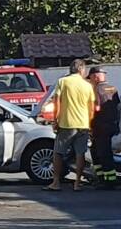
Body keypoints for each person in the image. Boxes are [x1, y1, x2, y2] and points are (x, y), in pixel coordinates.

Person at [44, 59, 95, 192]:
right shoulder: (87, 85)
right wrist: (89, 123)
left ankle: (55, 182)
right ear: (81, 69)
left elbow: (58, 103)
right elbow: (91, 108)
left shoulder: (63, 82)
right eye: (84, 69)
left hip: (66, 124)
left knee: (58, 153)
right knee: (80, 153)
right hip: (82, 124)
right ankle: (77, 183)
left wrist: (55, 120)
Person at [88, 66, 119, 188]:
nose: (90, 81)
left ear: (95, 77)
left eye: (90, 78)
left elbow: (94, 109)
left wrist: (89, 124)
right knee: (96, 150)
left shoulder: (96, 90)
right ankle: (101, 177)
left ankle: (109, 181)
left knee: (103, 153)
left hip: (100, 127)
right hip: (112, 125)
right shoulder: (113, 89)